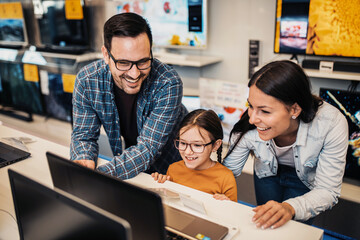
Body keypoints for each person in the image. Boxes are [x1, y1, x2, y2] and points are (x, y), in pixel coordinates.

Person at [224, 60, 348, 229]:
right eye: (250, 106)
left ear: (294, 110)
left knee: (291, 229)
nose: (252, 119)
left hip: (305, 179)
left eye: (265, 111)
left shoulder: (332, 123)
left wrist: (290, 208)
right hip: (267, 172)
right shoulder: (249, 126)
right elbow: (226, 172)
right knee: (267, 224)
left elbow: (328, 190)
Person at [70, 12, 187, 179]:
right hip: (131, 164)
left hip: (172, 168)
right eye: (123, 63)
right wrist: (84, 160)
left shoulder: (168, 83)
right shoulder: (87, 80)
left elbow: (147, 148)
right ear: (105, 54)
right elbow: (83, 136)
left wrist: (99, 176)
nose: (134, 74)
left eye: (143, 61)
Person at [152, 109, 238, 202]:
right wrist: (161, 183)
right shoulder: (173, 169)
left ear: (215, 145)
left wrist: (226, 204)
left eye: (197, 145)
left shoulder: (225, 178)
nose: (188, 152)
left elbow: (230, 214)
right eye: (183, 143)